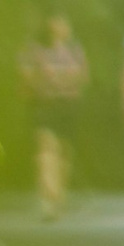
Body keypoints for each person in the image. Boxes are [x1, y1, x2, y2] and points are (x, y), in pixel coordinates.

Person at [19, 14, 89, 218]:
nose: (63, 26)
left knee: (65, 151)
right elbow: (26, 75)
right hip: (43, 104)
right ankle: (48, 198)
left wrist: (56, 78)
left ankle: (59, 194)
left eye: (65, 22)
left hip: (68, 105)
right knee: (46, 148)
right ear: (49, 24)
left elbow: (83, 76)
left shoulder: (75, 49)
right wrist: (54, 78)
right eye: (59, 21)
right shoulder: (33, 49)